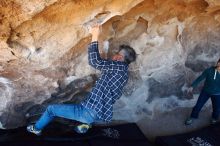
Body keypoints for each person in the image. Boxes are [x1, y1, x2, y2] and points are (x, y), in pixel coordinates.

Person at [27, 24, 137, 135]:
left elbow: (95, 61)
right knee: (82, 105)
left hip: (88, 112)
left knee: (51, 109)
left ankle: (36, 129)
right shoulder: (124, 74)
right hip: (99, 113)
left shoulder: (117, 66)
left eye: (116, 54)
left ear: (119, 57)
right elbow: (116, 95)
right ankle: (85, 125)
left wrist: (94, 35)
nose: (114, 56)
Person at [185, 58, 220, 125]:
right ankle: (192, 117)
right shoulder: (209, 70)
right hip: (206, 91)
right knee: (198, 105)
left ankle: (214, 118)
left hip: (217, 94)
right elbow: (200, 78)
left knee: (217, 108)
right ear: (218, 63)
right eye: (219, 62)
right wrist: (192, 86)